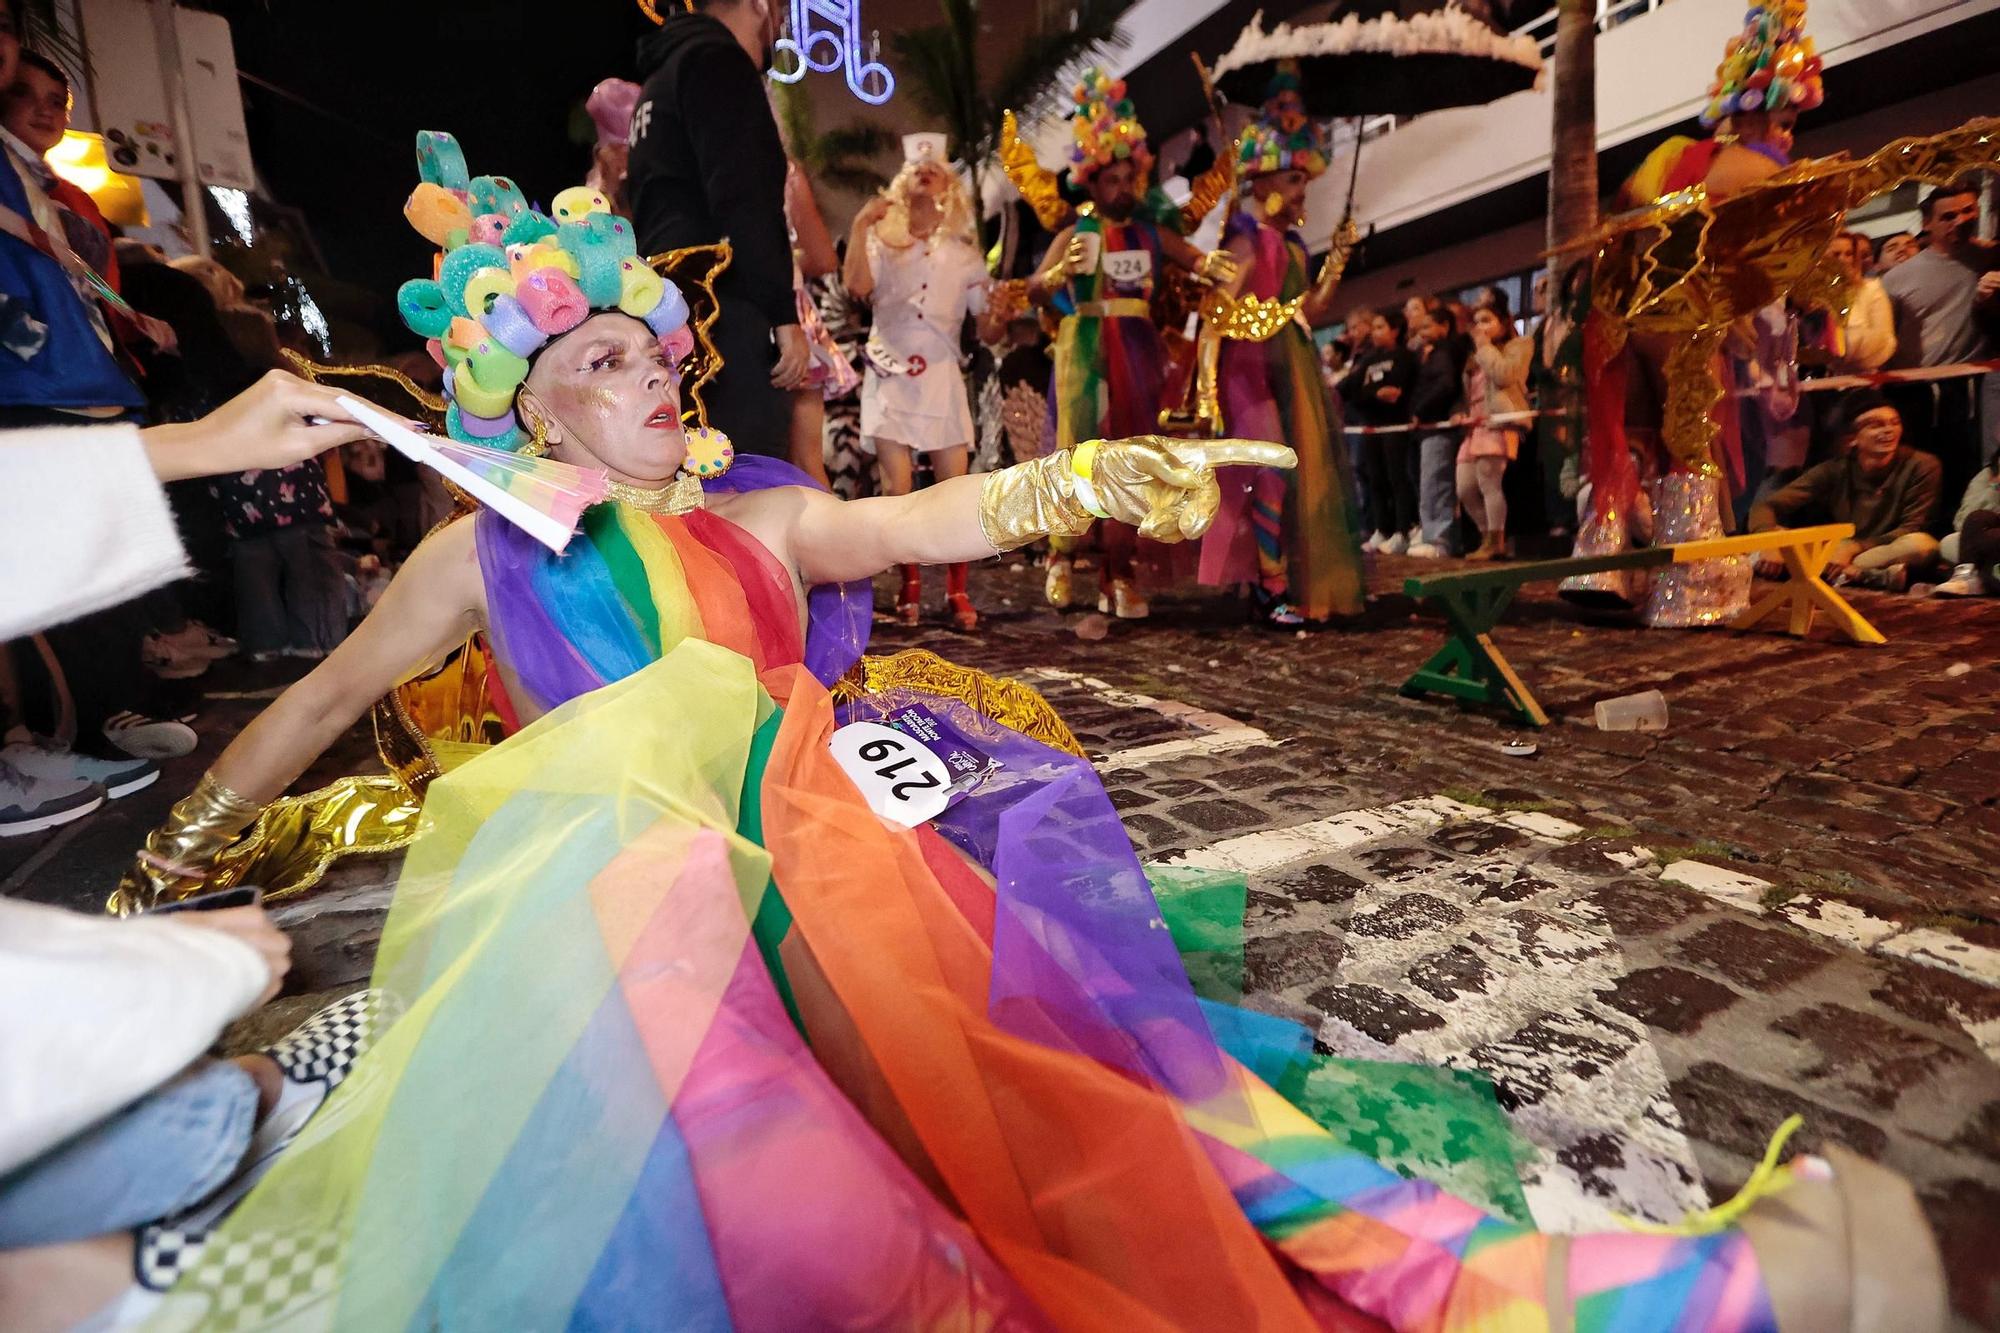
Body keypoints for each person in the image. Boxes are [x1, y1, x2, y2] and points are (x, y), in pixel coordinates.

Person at [107, 144, 1939, 1332]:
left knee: (1137, 1109)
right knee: (832, 1227)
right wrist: (170, 861)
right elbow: (321, 700)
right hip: (639, 912)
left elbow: (907, 528)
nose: (656, 371)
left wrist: (1075, 475)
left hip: (837, 857)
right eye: (600, 361)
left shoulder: (749, 508)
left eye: (654, 348)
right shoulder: (476, 550)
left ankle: (1641, 1298)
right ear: (519, 407)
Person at [0, 369, 371, 832]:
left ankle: (65, 731)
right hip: (49, 402)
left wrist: (203, 441)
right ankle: (46, 741)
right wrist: (203, 441)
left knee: (83, 580)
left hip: (82, 409)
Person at [1021, 67, 1239, 619]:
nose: (1122, 189)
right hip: (1083, 350)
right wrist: (1052, 279)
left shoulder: (1150, 234)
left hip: (1139, 355)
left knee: (1130, 466)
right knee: (1077, 456)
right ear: (1091, 183)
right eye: (1110, 180)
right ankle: (1061, 557)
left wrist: (1209, 262)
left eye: (1128, 179)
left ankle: (1119, 573)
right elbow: (1033, 293)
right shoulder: (1074, 235)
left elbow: (1194, 258)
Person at [1202, 70, 1366, 627]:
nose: (1302, 193)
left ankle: (1276, 579)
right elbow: (1217, 315)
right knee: (1267, 470)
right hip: (1250, 369)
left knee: (1295, 474)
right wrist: (1206, 390)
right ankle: (1268, 587)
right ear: (1266, 178)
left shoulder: (1291, 245)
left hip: (1293, 366)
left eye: (1304, 180)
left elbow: (1308, 310)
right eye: (1294, 180)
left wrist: (1338, 259)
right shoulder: (1244, 239)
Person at [626, 0, 807, 456]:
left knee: (695, 469)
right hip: (722, 306)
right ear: (760, 4)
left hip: (668, 303)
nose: (782, 22)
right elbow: (744, 195)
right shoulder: (717, 60)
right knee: (744, 472)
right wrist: (782, 313)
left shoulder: (659, 79)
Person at [844, 134, 992, 630]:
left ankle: (957, 591)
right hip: (889, 370)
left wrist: (1006, 306)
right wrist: (862, 222)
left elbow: (987, 324)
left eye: (935, 168)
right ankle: (908, 588)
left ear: (948, 184)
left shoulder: (966, 254)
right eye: (916, 169)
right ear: (902, 183)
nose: (925, 173)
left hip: (943, 373)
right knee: (898, 487)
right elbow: (857, 289)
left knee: (957, 486)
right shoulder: (881, 242)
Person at [1750, 390, 1941, 592]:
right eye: (1876, 425)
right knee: (1759, 548)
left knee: (1922, 546)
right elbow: (1767, 505)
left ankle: (1839, 572)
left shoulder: (1922, 465)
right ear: (1852, 439)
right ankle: (1854, 575)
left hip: (1879, 550)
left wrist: (1854, 547)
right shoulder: (1835, 469)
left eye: (1894, 423)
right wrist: (1770, 541)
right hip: (1837, 551)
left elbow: (1911, 528)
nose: (1888, 430)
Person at [1881, 179, 1999, 506]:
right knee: (1919, 477)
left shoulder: (1989, 259)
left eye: (1967, 211)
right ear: (1927, 224)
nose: (1960, 220)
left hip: (1970, 388)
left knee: (1968, 473)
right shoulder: (1897, 278)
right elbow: (1882, 340)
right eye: (1948, 216)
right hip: (1913, 391)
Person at [1458, 296, 1533, 561]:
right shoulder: (1475, 356)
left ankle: (1495, 541)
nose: (1481, 326)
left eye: (1487, 320)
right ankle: (1486, 535)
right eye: (1477, 321)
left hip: (1498, 423)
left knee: (1489, 483)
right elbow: (1470, 393)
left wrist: (1485, 347)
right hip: (1475, 425)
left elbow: (1504, 375)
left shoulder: (1518, 345)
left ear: (1503, 322)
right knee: (1464, 488)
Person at [1340, 306, 1419, 554]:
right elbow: (1351, 392)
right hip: (1371, 427)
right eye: (1373, 328)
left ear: (1395, 330)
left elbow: (1399, 392)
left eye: (1380, 327)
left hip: (1396, 426)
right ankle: (1381, 529)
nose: (1374, 333)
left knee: (1397, 478)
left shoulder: (1405, 357)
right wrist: (1375, 394)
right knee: (1375, 479)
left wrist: (1377, 394)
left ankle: (1402, 529)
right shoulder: (1369, 360)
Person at [1407, 296, 1469, 558]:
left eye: (1427, 328)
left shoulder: (1444, 352)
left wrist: (1420, 411)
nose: (1421, 334)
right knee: (1429, 482)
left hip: (1438, 426)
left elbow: (1445, 386)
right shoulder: (1432, 354)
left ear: (1444, 326)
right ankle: (1432, 534)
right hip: (1429, 427)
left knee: (1436, 483)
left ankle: (1440, 540)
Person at [1823, 229, 1896, 374]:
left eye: (1849, 254)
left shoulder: (1871, 289)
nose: (1843, 259)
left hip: (1862, 378)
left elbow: (1887, 341)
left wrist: (1849, 345)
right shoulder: (1808, 295)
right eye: (1836, 254)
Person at [1934, 457, 1999, 596]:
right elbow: (1962, 522)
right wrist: (1995, 487)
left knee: (1991, 539)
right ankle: (1967, 576)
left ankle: (1985, 580)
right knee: (1976, 519)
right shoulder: (1989, 474)